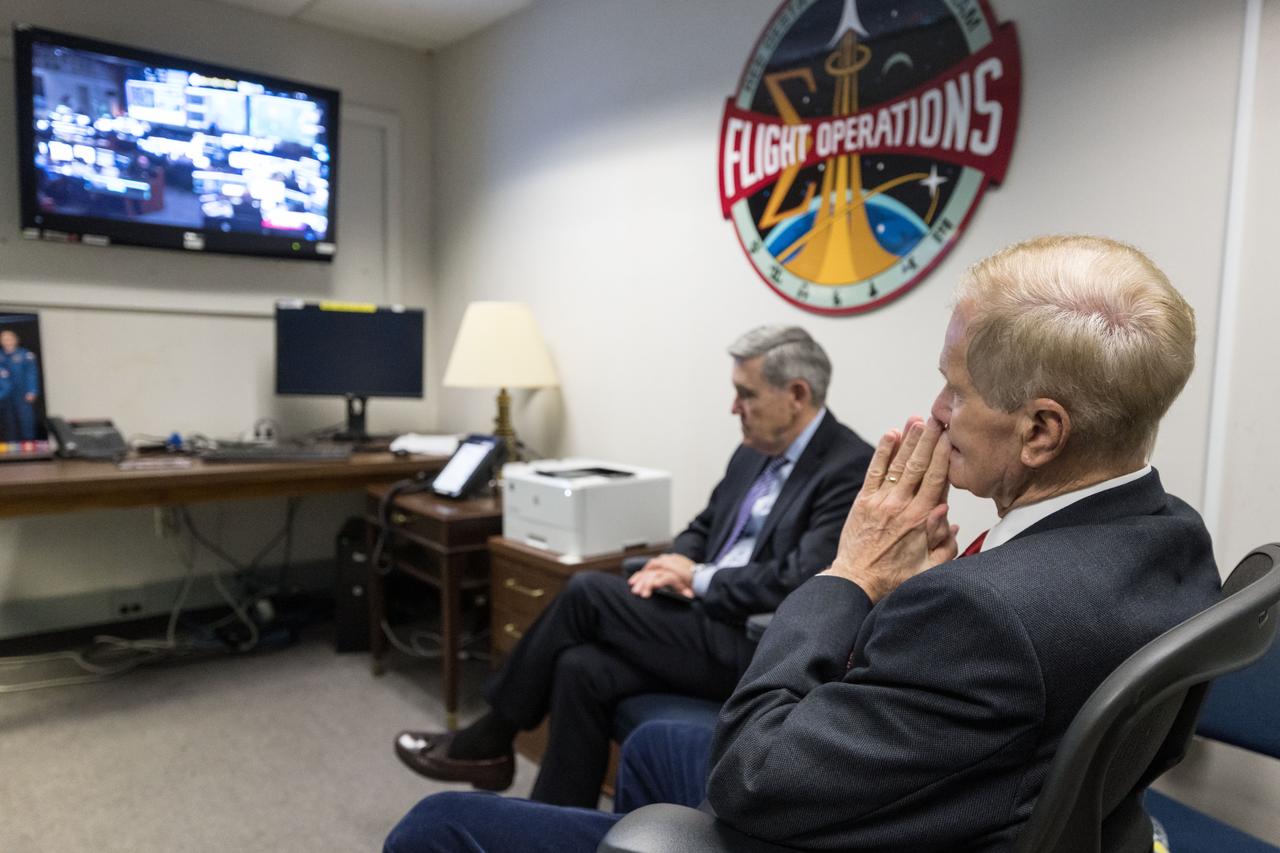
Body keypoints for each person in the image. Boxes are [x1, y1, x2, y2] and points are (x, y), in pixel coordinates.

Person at [384, 235, 1222, 852]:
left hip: (838, 816)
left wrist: (851, 575)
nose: (935, 411)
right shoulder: (1176, 541)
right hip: (994, 808)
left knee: (436, 827)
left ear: (1041, 430)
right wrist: (903, 606)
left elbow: (752, 774)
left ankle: (487, 750)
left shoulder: (985, 608)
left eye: (955, 389)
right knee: (629, 719)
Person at [393, 325, 875, 807]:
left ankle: (489, 740)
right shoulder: (753, 453)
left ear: (796, 394)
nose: (734, 408)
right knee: (580, 666)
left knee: (586, 592)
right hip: (701, 616)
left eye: (745, 395)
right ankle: (558, 822)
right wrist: (676, 560)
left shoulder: (849, 467)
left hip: (756, 646)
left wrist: (697, 578)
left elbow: (803, 581)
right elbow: (705, 526)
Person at [0, 330, 40, 442]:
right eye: (4, 339)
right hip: (5, 396)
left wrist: (32, 390)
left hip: (22, 394)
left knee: (26, 420)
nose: (7, 341)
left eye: (9, 338)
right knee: (8, 422)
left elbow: (31, 374)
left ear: (15, 340)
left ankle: (30, 445)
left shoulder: (26, 355)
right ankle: (12, 449)